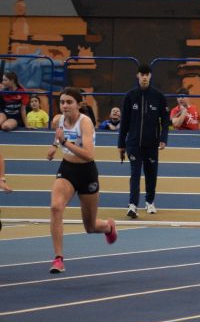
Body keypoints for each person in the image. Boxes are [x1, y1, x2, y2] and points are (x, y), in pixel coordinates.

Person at [45, 87, 117, 274]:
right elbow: (59, 133)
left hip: (86, 172)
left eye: (69, 102)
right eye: (62, 102)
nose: (65, 106)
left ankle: (108, 227)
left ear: (78, 105)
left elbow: (89, 154)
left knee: (90, 227)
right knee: (55, 207)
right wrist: (54, 146)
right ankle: (58, 258)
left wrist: (64, 143)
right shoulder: (58, 120)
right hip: (67, 170)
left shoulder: (85, 123)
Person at [118, 64, 170, 219]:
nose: (145, 77)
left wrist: (163, 138)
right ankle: (133, 205)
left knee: (151, 174)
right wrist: (121, 144)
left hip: (152, 143)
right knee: (135, 174)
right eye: (142, 74)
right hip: (133, 143)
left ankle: (149, 201)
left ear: (150, 76)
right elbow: (124, 122)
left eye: (147, 74)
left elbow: (165, 120)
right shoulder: (130, 96)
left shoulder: (158, 96)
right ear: (138, 76)